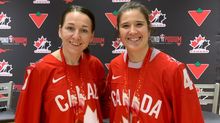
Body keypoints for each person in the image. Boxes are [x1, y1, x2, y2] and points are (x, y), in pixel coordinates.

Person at [104, 1, 204, 123]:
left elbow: (191, 118)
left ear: (149, 29)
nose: (133, 31)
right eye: (125, 26)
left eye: (139, 24)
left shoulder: (173, 69)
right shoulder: (115, 65)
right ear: (119, 32)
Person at [15, 5, 105, 123]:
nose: (76, 36)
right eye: (70, 28)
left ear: (91, 36)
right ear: (60, 31)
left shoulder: (95, 65)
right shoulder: (40, 70)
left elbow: (103, 108)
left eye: (84, 30)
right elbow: (25, 118)